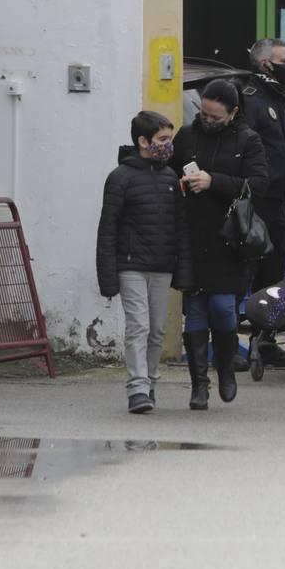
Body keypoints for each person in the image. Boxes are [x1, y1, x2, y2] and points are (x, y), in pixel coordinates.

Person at [171, 80, 269, 410]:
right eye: (204, 114)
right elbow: (170, 176)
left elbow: (258, 185)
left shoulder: (248, 140)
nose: (207, 120)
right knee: (196, 310)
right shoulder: (186, 136)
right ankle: (199, 385)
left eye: (215, 116)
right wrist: (182, 184)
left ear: (233, 112)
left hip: (231, 238)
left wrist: (214, 182)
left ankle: (226, 366)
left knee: (223, 308)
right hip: (193, 233)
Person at [96, 111, 193, 414]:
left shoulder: (169, 179)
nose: (168, 145)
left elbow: (180, 227)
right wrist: (108, 276)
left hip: (162, 266)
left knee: (157, 330)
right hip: (131, 266)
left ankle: (150, 381)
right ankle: (137, 388)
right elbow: (108, 228)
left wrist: (183, 270)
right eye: (162, 139)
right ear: (143, 141)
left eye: (169, 139)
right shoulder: (120, 178)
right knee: (138, 326)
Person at [240, 38, 285, 368]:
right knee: (247, 272)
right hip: (256, 202)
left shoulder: (277, 99)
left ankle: (265, 341)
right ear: (266, 64)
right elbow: (250, 153)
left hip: (278, 202)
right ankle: (232, 346)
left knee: (273, 275)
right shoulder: (252, 100)